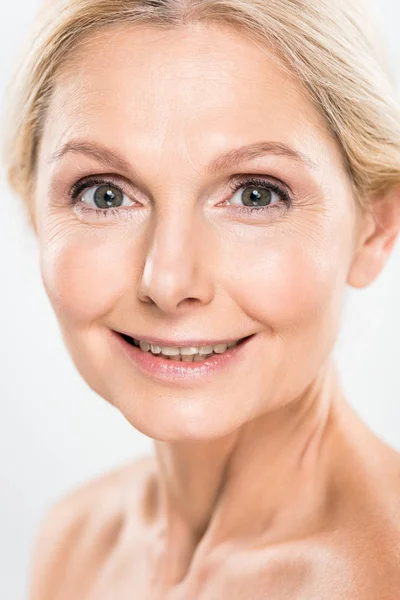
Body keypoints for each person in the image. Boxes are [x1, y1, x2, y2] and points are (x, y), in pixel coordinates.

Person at [3, 0, 400, 597]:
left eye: (257, 195)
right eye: (105, 194)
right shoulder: (74, 543)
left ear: (374, 228)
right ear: (34, 207)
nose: (168, 281)